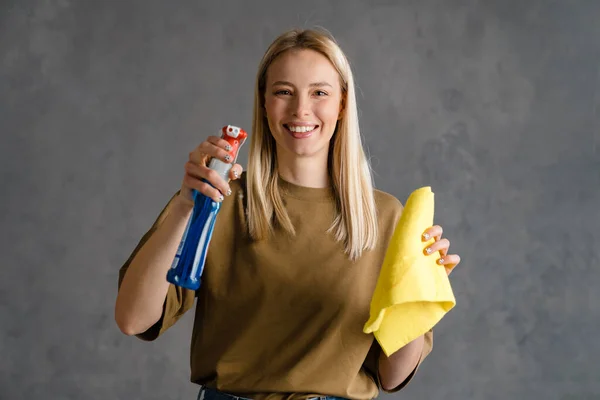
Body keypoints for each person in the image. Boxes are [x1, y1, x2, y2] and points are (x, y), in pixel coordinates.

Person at [114, 28, 461, 400]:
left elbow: (393, 375)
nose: (300, 110)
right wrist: (187, 202)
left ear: (342, 104)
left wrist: (422, 293)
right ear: (263, 102)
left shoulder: (387, 217)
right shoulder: (220, 199)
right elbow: (133, 319)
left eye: (319, 93)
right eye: (283, 92)